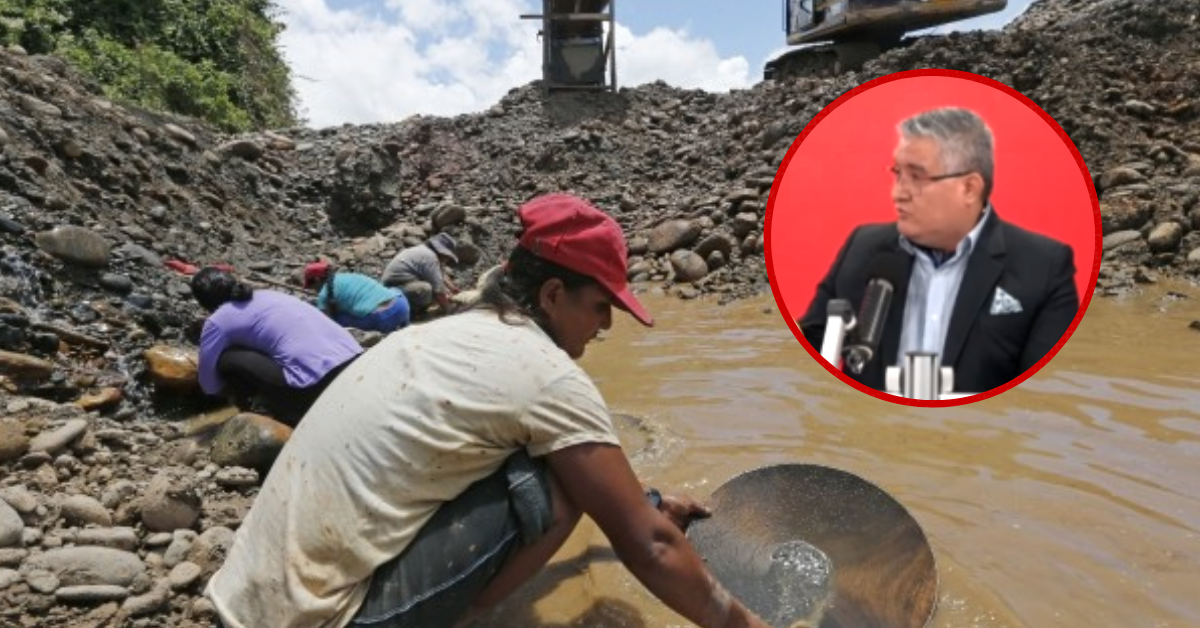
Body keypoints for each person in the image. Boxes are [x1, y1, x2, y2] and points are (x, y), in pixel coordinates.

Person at [205, 193, 772, 628]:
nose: (606, 325)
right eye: (601, 307)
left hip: (248, 599)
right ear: (552, 295)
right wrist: (746, 621)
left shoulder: (438, 335)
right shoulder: (547, 374)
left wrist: (648, 500)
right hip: (328, 618)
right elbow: (648, 545)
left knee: (539, 455)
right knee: (559, 476)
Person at [799, 107, 1079, 395]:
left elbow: (1047, 402)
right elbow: (802, 361)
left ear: (969, 188)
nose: (898, 193)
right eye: (898, 174)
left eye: (917, 177)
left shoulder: (1044, 268)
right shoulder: (862, 248)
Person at [191, 267, 363, 427]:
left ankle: (260, 415)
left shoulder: (218, 321)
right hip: (359, 368)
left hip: (316, 388)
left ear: (204, 302)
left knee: (226, 359)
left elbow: (209, 385)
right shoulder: (269, 295)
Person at [303, 261, 411, 333]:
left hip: (383, 319)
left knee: (338, 319)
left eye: (311, 285)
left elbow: (326, 325)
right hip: (401, 305)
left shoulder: (324, 294)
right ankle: (404, 324)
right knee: (391, 291)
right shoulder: (349, 276)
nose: (313, 289)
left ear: (316, 280)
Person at [380, 232, 459, 316]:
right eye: (447, 257)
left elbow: (440, 275)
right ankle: (410, 314)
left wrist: (453, 289)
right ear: (442, 252)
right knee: (425, 289)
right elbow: (438, 290)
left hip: (398, 288)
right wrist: (449, 310)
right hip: (393, 291)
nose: (447, 259)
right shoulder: (430, 257)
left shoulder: (425, 252)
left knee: (437, 293)